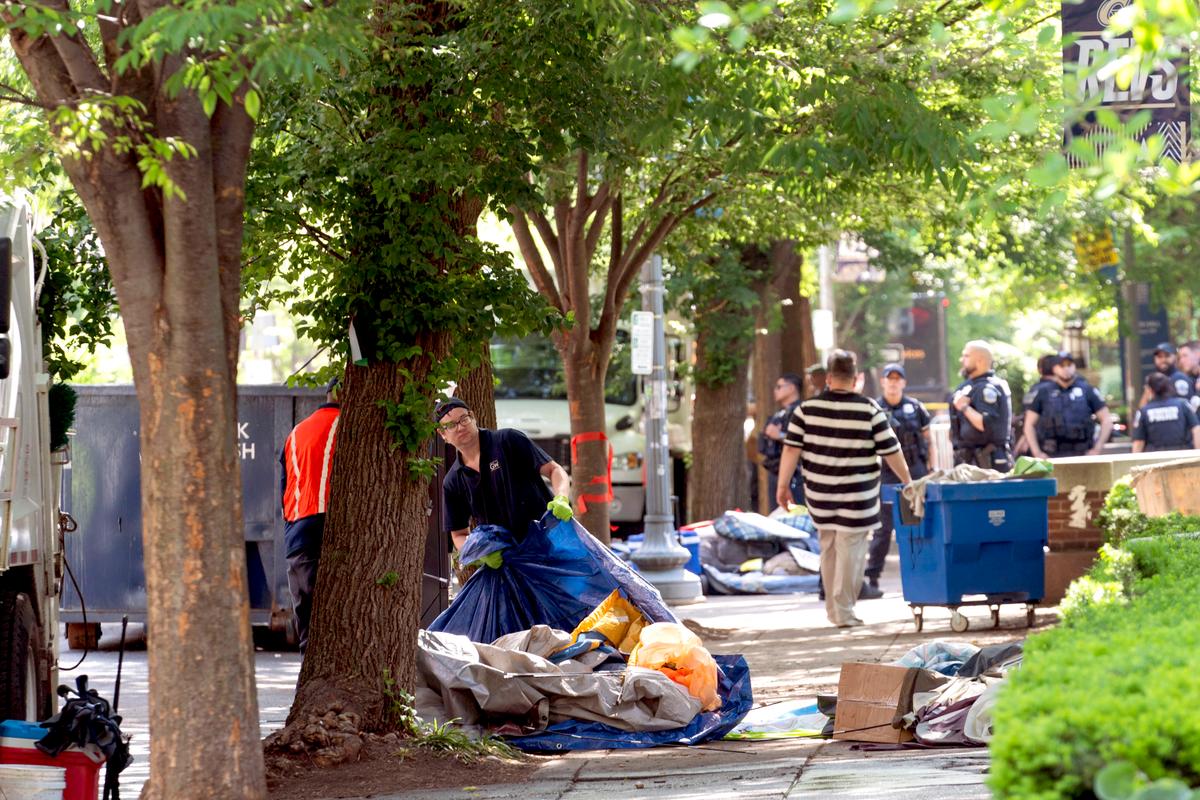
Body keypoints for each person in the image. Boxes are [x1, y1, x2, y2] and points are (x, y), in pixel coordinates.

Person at [775, 350, 912, 629]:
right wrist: (908, 481)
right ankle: (843, 610)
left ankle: (833, 609)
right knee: (851, 550)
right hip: (857, 495)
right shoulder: (869, 409)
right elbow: (891, 450)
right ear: (855, 378)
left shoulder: (806, 410)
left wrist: (782, 486)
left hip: (820, 493)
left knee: (828, 547)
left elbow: (790, 448)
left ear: (828, 378)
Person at [437, 398, 572, 552]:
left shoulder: (508, 440)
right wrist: (480, 552)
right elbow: (459, 535)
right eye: (451, 425)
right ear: (442, 434)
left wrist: (561, 497)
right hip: (506, 562)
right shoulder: (453, 481)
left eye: (463, 419)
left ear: (472, 417)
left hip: (550, 544)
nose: (460, 427)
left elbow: (554, 470)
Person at [279, 378, 340, 654]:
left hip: (296, 532)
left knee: (307, 620)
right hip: (327, 525)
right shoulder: (347, 427)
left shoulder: (296, 432)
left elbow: (285, 484)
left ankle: (307, 685)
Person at [870, 364, 931, 594]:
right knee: (884, 528)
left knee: (918, 522)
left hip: (915, 470)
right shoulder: (875, 408)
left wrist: (931, 467)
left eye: (898, 378)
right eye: (890, 378)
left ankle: (925, 572)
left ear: (904, 382)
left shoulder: (916, 408)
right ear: (883, 382)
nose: (894, 382)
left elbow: (928, 439)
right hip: (886, 473)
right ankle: (872, 576)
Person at [1023, 352, 1112, 458]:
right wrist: (1037, 453)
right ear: (1054, 368)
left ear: (1074, 366)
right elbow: (1029, 424)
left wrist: (1097, 448)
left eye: (1069, 365)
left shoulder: (1087, 390)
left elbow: (1106, 419)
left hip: (1082, 454)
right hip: (1051, 454)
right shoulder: (1043, 392)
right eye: (1062, 366)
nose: (1066, 369)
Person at [950, 340, 1013, 472]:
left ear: (980, 360)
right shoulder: (966, 386)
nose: (962, 360)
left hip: (988, 462)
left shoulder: (989, 387)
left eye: (966, 356)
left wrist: (964, 408)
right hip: (966, 460)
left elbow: (985, 424)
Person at [758, 373, 805, 510]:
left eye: (779, 387)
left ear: (791, 388)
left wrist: (779, 435)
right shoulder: (780, 414)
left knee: (796, 519)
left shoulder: (800, 411)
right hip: (776, 472)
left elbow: (803, 442)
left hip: (794, 475)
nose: (775, 391)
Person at [1131, 373, 1200, 453]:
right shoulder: (1183, 405)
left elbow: (1139, 441)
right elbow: (1197, 429)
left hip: (1155, 459)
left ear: (1149, 390)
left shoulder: (1143, 411)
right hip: (1182, 456)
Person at [1178, 340, 1200, 412]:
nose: (1181, 361)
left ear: (1198, 354)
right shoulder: (1187, 380)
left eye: (1185, 356)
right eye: (1180, 357)